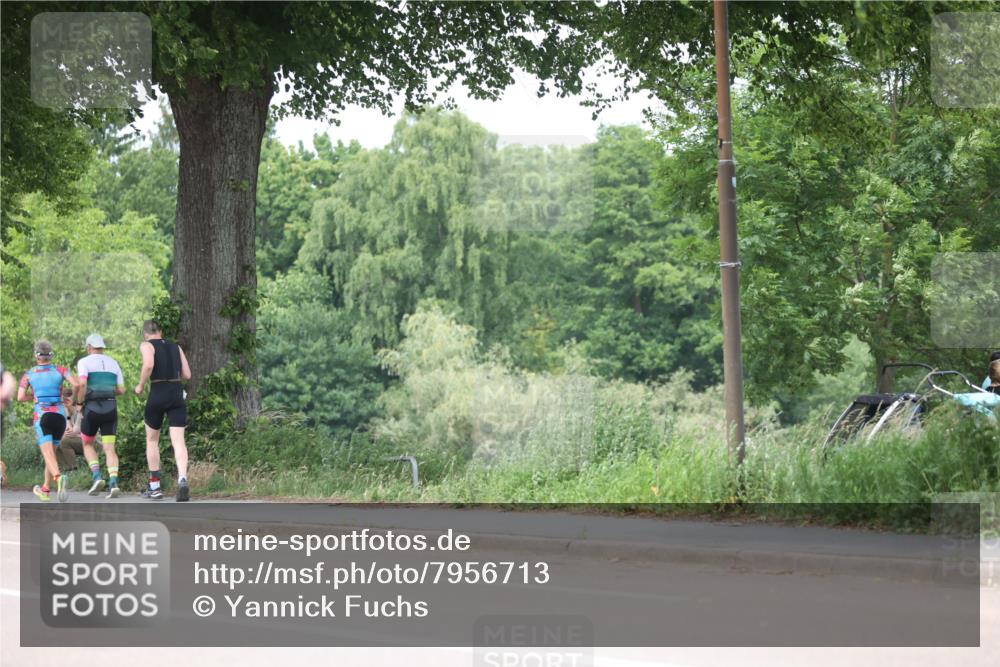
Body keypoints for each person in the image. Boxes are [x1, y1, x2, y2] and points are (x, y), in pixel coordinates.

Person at [135, 320, 192, 501]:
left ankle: (155, 486)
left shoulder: (146, 345)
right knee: (179, 441)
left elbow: (149, 365)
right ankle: (182, 479)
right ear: (161, 330)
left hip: (158, 392)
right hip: (176, 394)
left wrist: (141, 385)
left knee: (152, 440)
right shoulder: (176, 347)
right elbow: (187, 375)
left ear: (145, 333)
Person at [18, 341, 77, 502]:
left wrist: (33, 396)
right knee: (50, 455)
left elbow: (20, 397)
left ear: (36, 355)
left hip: (42, 416)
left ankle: (58, 478)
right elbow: (77, 384)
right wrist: (73, 400)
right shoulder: (61, 370)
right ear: (51, 355)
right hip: (59, 417)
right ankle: (45, 488)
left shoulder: (29, 374)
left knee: (47, 453)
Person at [75, 333, 126, 498]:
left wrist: (80, 402)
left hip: (92, 408)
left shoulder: (84, 362)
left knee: (87, 443)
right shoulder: (113, 363)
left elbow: (82, 383)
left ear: (89, 347)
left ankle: (97, 477)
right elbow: (121, 390)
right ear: (102, 347)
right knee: (110, 448)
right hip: (111, 407)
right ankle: (113, 482)